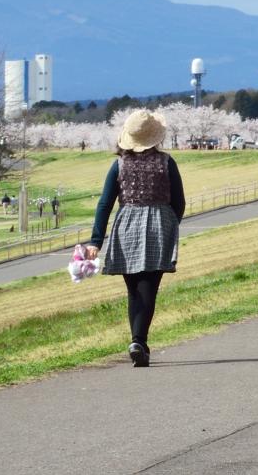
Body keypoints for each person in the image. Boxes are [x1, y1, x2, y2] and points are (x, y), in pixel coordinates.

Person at [84, 109, 188, 367]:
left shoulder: (118, 165)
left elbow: (105, 204)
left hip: (127, 225)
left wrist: (96, 241)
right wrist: (171, 222)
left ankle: (137, 341)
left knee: (134, 289)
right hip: (160, 225)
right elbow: (180, 201)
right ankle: (139, 340)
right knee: (149, 286)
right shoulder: (166, 162)